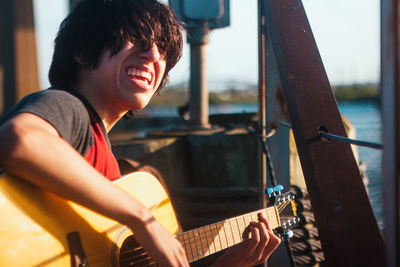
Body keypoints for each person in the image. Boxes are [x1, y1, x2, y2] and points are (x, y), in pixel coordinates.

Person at [0, 0, 281, 266]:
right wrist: (141, 218)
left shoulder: (105, 155)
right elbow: (20, 139)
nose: (153, 55)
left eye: (163, 49)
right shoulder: (69, 106)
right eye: (135, 37)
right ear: (83, 51)